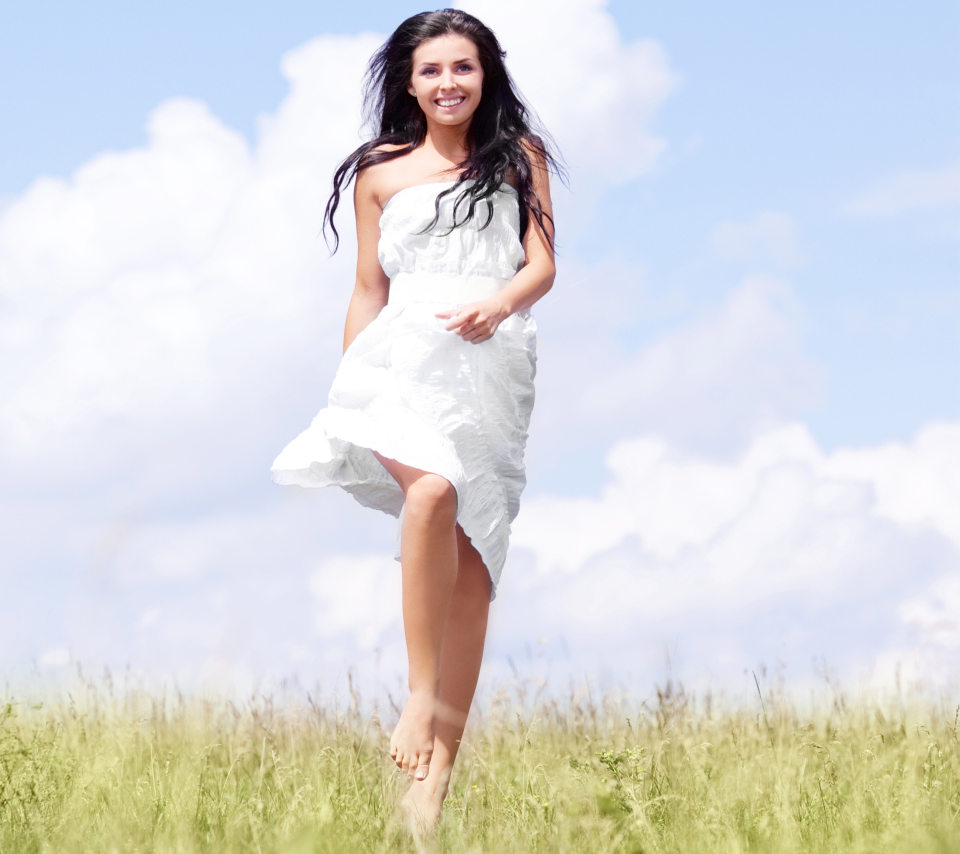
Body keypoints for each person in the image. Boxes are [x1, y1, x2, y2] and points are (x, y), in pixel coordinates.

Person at [270, 7, 559, 832]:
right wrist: (345, 389)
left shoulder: (517, 160)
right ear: (408, 80)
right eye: (432, 70)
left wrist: (500, 303)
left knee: (474, 571)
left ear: (485, 76)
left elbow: (541, 264)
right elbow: (368, 286)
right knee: (430, 493)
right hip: (399, 360)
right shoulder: (379, 172)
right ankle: (420, 699)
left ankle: (431, 783)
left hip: (492, 365)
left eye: (462, 68)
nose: (447, 83)